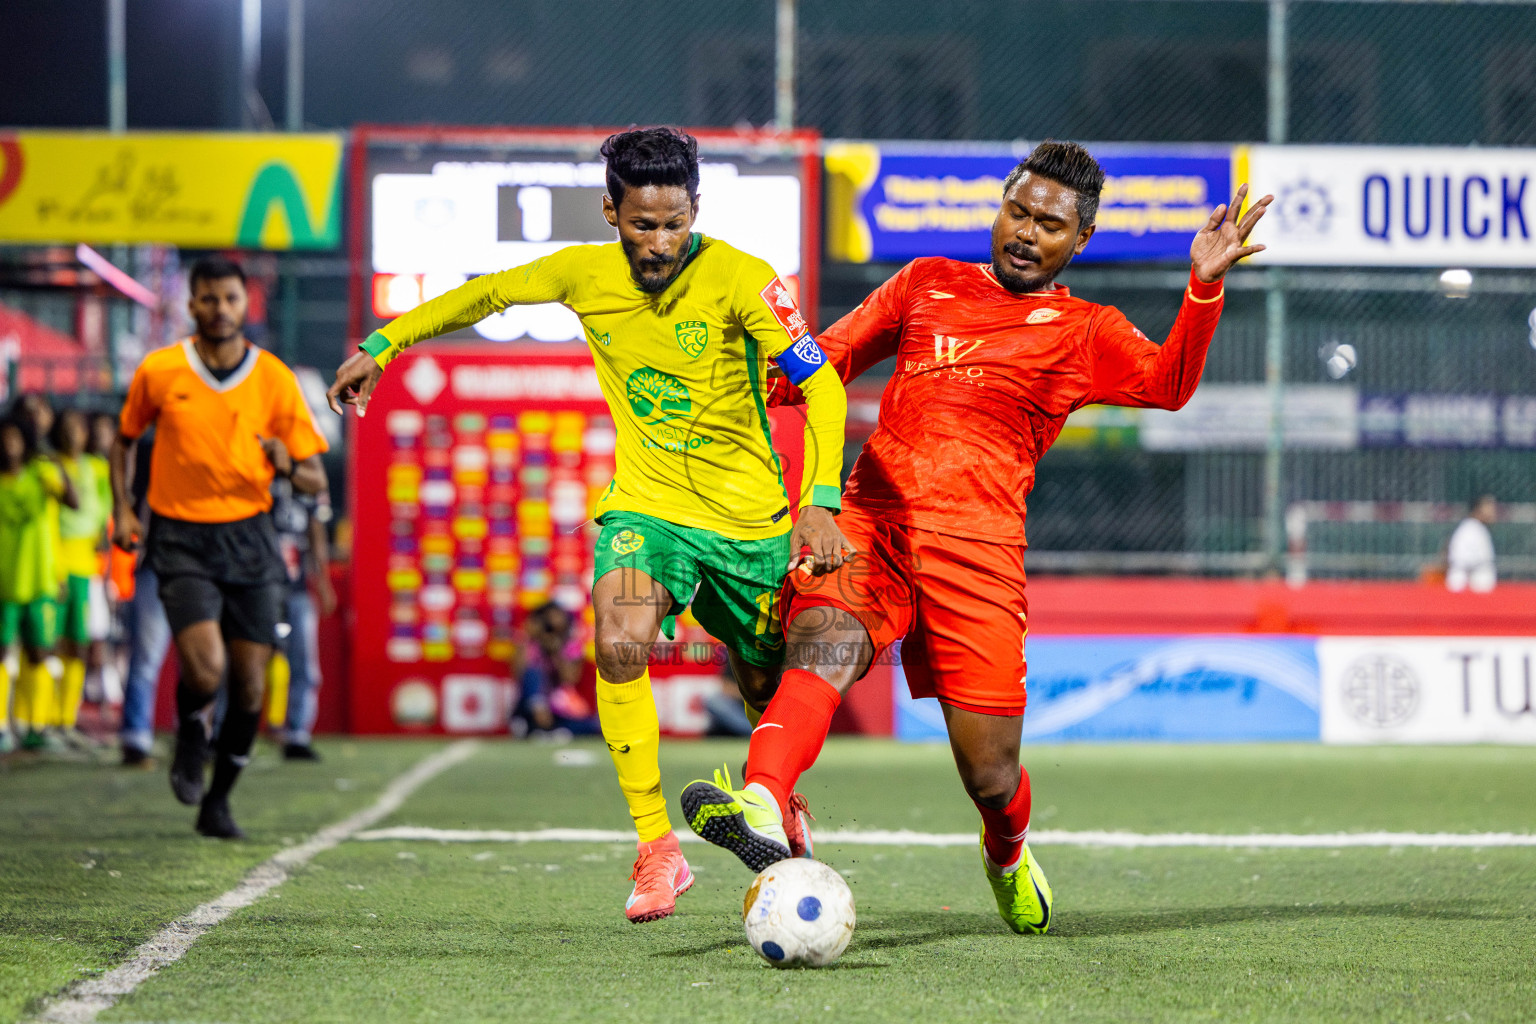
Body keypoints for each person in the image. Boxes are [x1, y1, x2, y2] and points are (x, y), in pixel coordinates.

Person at [681, 141, 1272, 936]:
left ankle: (1007, 852)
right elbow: (823, 362)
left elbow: (1168, 384)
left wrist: (1203, 286)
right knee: (820, 641)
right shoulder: (927, 283)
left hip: (979, 556)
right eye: (1018, 212)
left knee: (990, 775)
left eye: (1050, 225)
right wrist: (738, 366)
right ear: (999, 209)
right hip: (874, 523)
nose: (1027, 233)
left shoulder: (1083, 329)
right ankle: (763, 801)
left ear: (1080, 240)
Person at [328, 127, 852, 923]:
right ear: (612, 211)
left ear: (695, 210)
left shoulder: (746, 279)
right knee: (617, 639)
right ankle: (657, 851)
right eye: (643, 224)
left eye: (675, 222)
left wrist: (820, 496)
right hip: (646, 513)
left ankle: (776, 802)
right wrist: (385, 342)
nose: (661, 242)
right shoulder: (583, 274)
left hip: (750, 528)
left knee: (759, 685)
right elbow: (488, 294)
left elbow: (824, 390)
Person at [110, 256, 329, 838]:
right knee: (205, 672)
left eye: (229, 298)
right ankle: (189, 730)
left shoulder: (274, 377)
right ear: (191, 305)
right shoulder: (160, 371)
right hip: (180, 537)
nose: (219, 309)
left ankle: (219, 801)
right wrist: (124, 507)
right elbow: (124, 440)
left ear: (244, 303)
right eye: (207, 299)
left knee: (251, 686)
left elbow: (315, 479)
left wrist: (287, 463)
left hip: (251, 539)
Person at [0, 408, 78, 753]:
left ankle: (34, 725)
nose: (10, 445)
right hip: (5, 581)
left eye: (16, 438)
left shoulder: (41, 473)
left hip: (42, 579)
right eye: (5, 440)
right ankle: (3, 726)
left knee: (39, 652)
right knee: (3, 653)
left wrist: (56, 464)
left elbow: (72, 502)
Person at [50, 408, 113, 747]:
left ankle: (66, 718)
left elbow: (103, 519)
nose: (75, 433)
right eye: (69, 425)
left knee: (79, 643)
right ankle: (42, 720)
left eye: (80, 427)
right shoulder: (49, 467)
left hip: (87, 567)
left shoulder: (98, 470)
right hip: (52, 563)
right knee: (48, 643)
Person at [267, 472, 336, 760]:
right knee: (248, 661)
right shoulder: (262, 482)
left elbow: (316, 533)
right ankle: (224, 732)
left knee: (304, 665)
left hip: (295, 590)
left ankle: (297, 733)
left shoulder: (308, 484)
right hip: (261, 589)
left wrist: (323, 582)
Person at [116, 431, 171, 768]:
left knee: (205, 662)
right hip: (157, 566)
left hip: (199, 570)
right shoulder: (152, 453)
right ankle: (135, 738)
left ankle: (199, 736)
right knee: (146, 657)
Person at [510, 601, 600, 739]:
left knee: (591, 726)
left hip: (559, 701)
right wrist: (529, 638)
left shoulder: (571, 645)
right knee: (533, 673)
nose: (552, 625)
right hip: (532, 701)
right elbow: (519, 675)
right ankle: (538, 718)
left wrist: (557, 652)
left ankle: (543, 728)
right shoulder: (530, 644)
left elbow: (570, 679)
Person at [1446, 494, 1497, 593]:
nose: (1492, 511)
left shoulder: (1478, 528)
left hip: (1474, 581)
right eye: (1488, 507)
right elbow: (1462, 560)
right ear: (1478, 509)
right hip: (1470, 582)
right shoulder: (1470, 529)